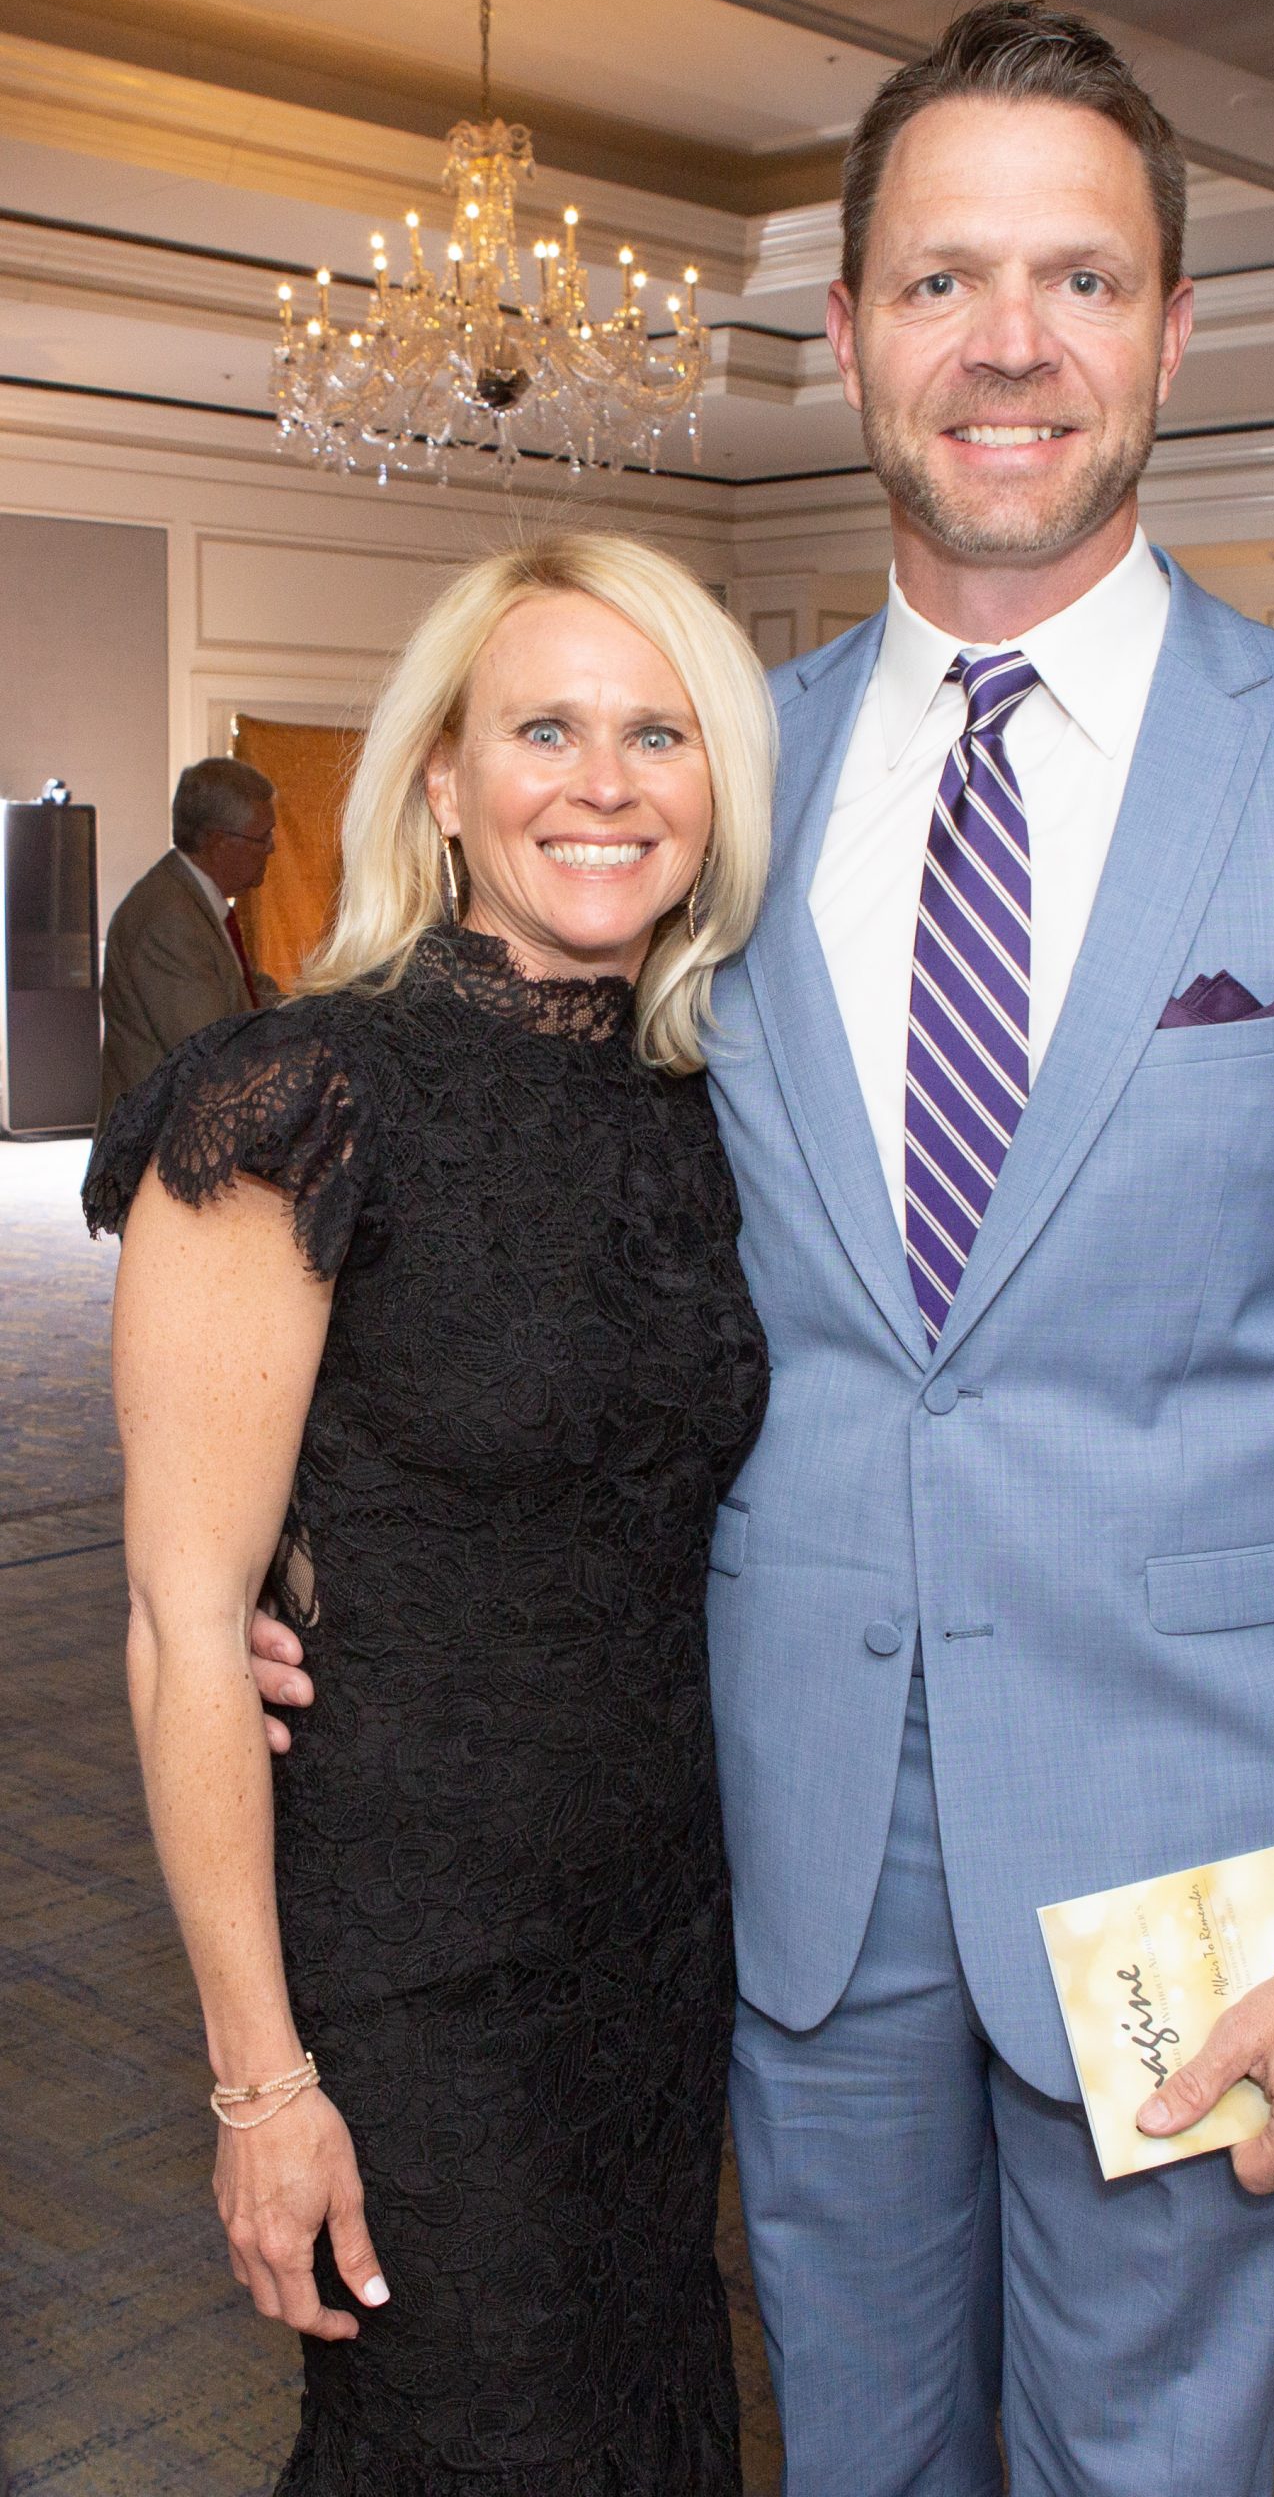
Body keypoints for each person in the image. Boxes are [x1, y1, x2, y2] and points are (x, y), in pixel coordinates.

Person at [255, 0, 1274, 2497]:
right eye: (943, 277)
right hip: (781, 1838)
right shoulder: (717, 776)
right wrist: (304, 1548)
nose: (1008, 341)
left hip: (1200, 1853)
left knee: (1140, 2461)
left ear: (1173, 333)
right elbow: (516, 1214)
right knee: (852, 2450)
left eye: (1080, 278)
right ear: (850, 329)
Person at [85, 534, 774, 2493]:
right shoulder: (296, 1098)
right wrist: (259, 2080)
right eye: (542, 730)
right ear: (444, 781)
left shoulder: (711, 1102)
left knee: (648, 2419)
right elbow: (187, 1620)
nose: (603, 781)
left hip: (656, 1932)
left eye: (659, 734)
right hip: (415, 1955)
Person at [94, 756, 281, 1138]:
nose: (272, 848)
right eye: (262, 837)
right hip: (157, 1150)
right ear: (218, 841)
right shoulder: (169, 919)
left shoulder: (193, 900)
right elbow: (211, 1053)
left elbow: (241, 989)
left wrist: (317, 1006)